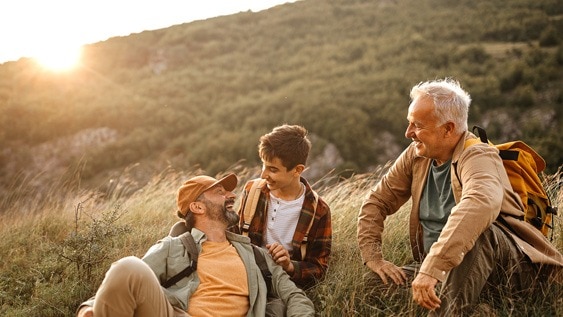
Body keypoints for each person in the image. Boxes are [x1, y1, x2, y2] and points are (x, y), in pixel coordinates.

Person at [357, 78, 563, 315]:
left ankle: (459, 304)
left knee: (479, 233)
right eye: (409, 123)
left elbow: (480, 204)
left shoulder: (478, 155)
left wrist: (432, 268)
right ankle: (477, 309)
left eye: (418, 125)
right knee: (374, 285)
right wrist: (374, 258)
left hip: (508, 270)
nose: (408, 133)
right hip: (445, 266)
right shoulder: (416, 155)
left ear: (448, 129)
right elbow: (377, 202)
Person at [77, 173, 315, 317]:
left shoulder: (256, 255)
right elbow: (129, 280)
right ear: (198, 207)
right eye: (220, 192)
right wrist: (89, 308)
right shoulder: (173, 247)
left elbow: (295, 296)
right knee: (128, 267)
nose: (231, 196)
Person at [233, 124, 332, 289]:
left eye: (273, 169)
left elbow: (319, 269)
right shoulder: (252, 190)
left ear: (297, 170)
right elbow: (234, 236)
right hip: (243, 276)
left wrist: (290, 266)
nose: (264, 175)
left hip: (281, 285)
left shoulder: (319, 210)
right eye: (264, 166)